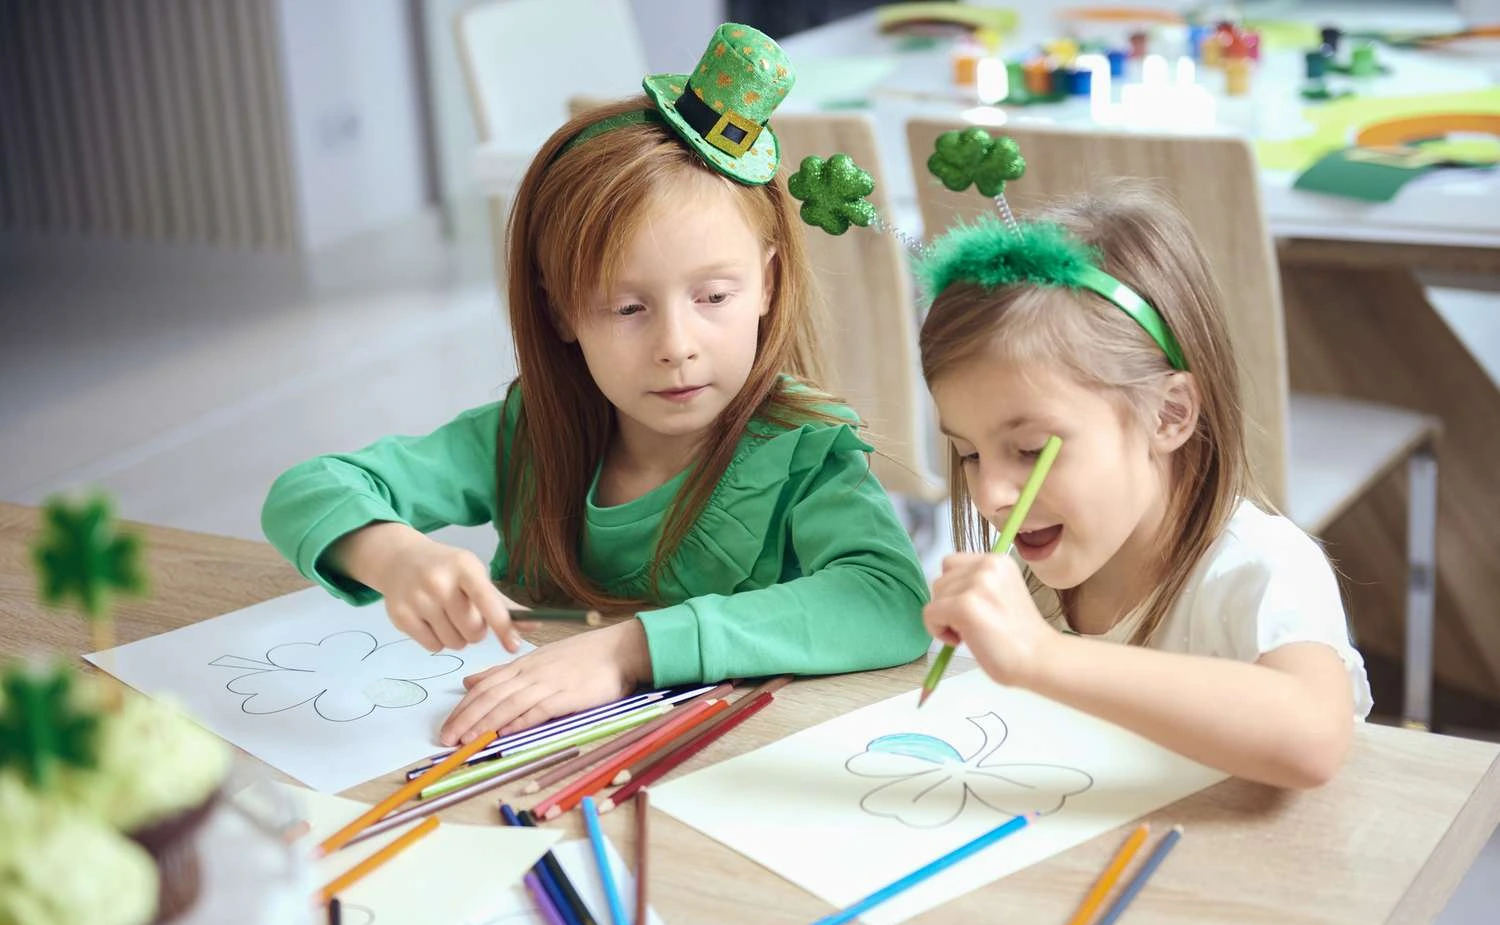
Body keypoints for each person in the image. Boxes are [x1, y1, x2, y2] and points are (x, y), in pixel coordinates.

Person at [261, 24, 930, 746]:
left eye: (713, 297)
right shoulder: (529, 433)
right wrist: (393, 555)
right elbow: (308, 489)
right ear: (561, 309)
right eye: (627, 307)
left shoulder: (803, 452)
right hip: (527, 762)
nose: (677, 347)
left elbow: (889, 599)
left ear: (767, 283)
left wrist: (629, 649)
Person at [917, 184, 1372, 790]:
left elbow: (1312, 738)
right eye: (969, 453)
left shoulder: (1257, 568)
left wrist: (1043, 658)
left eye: (1030, 450)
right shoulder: (1022, 579)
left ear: (1169, 415)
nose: (992, 493)